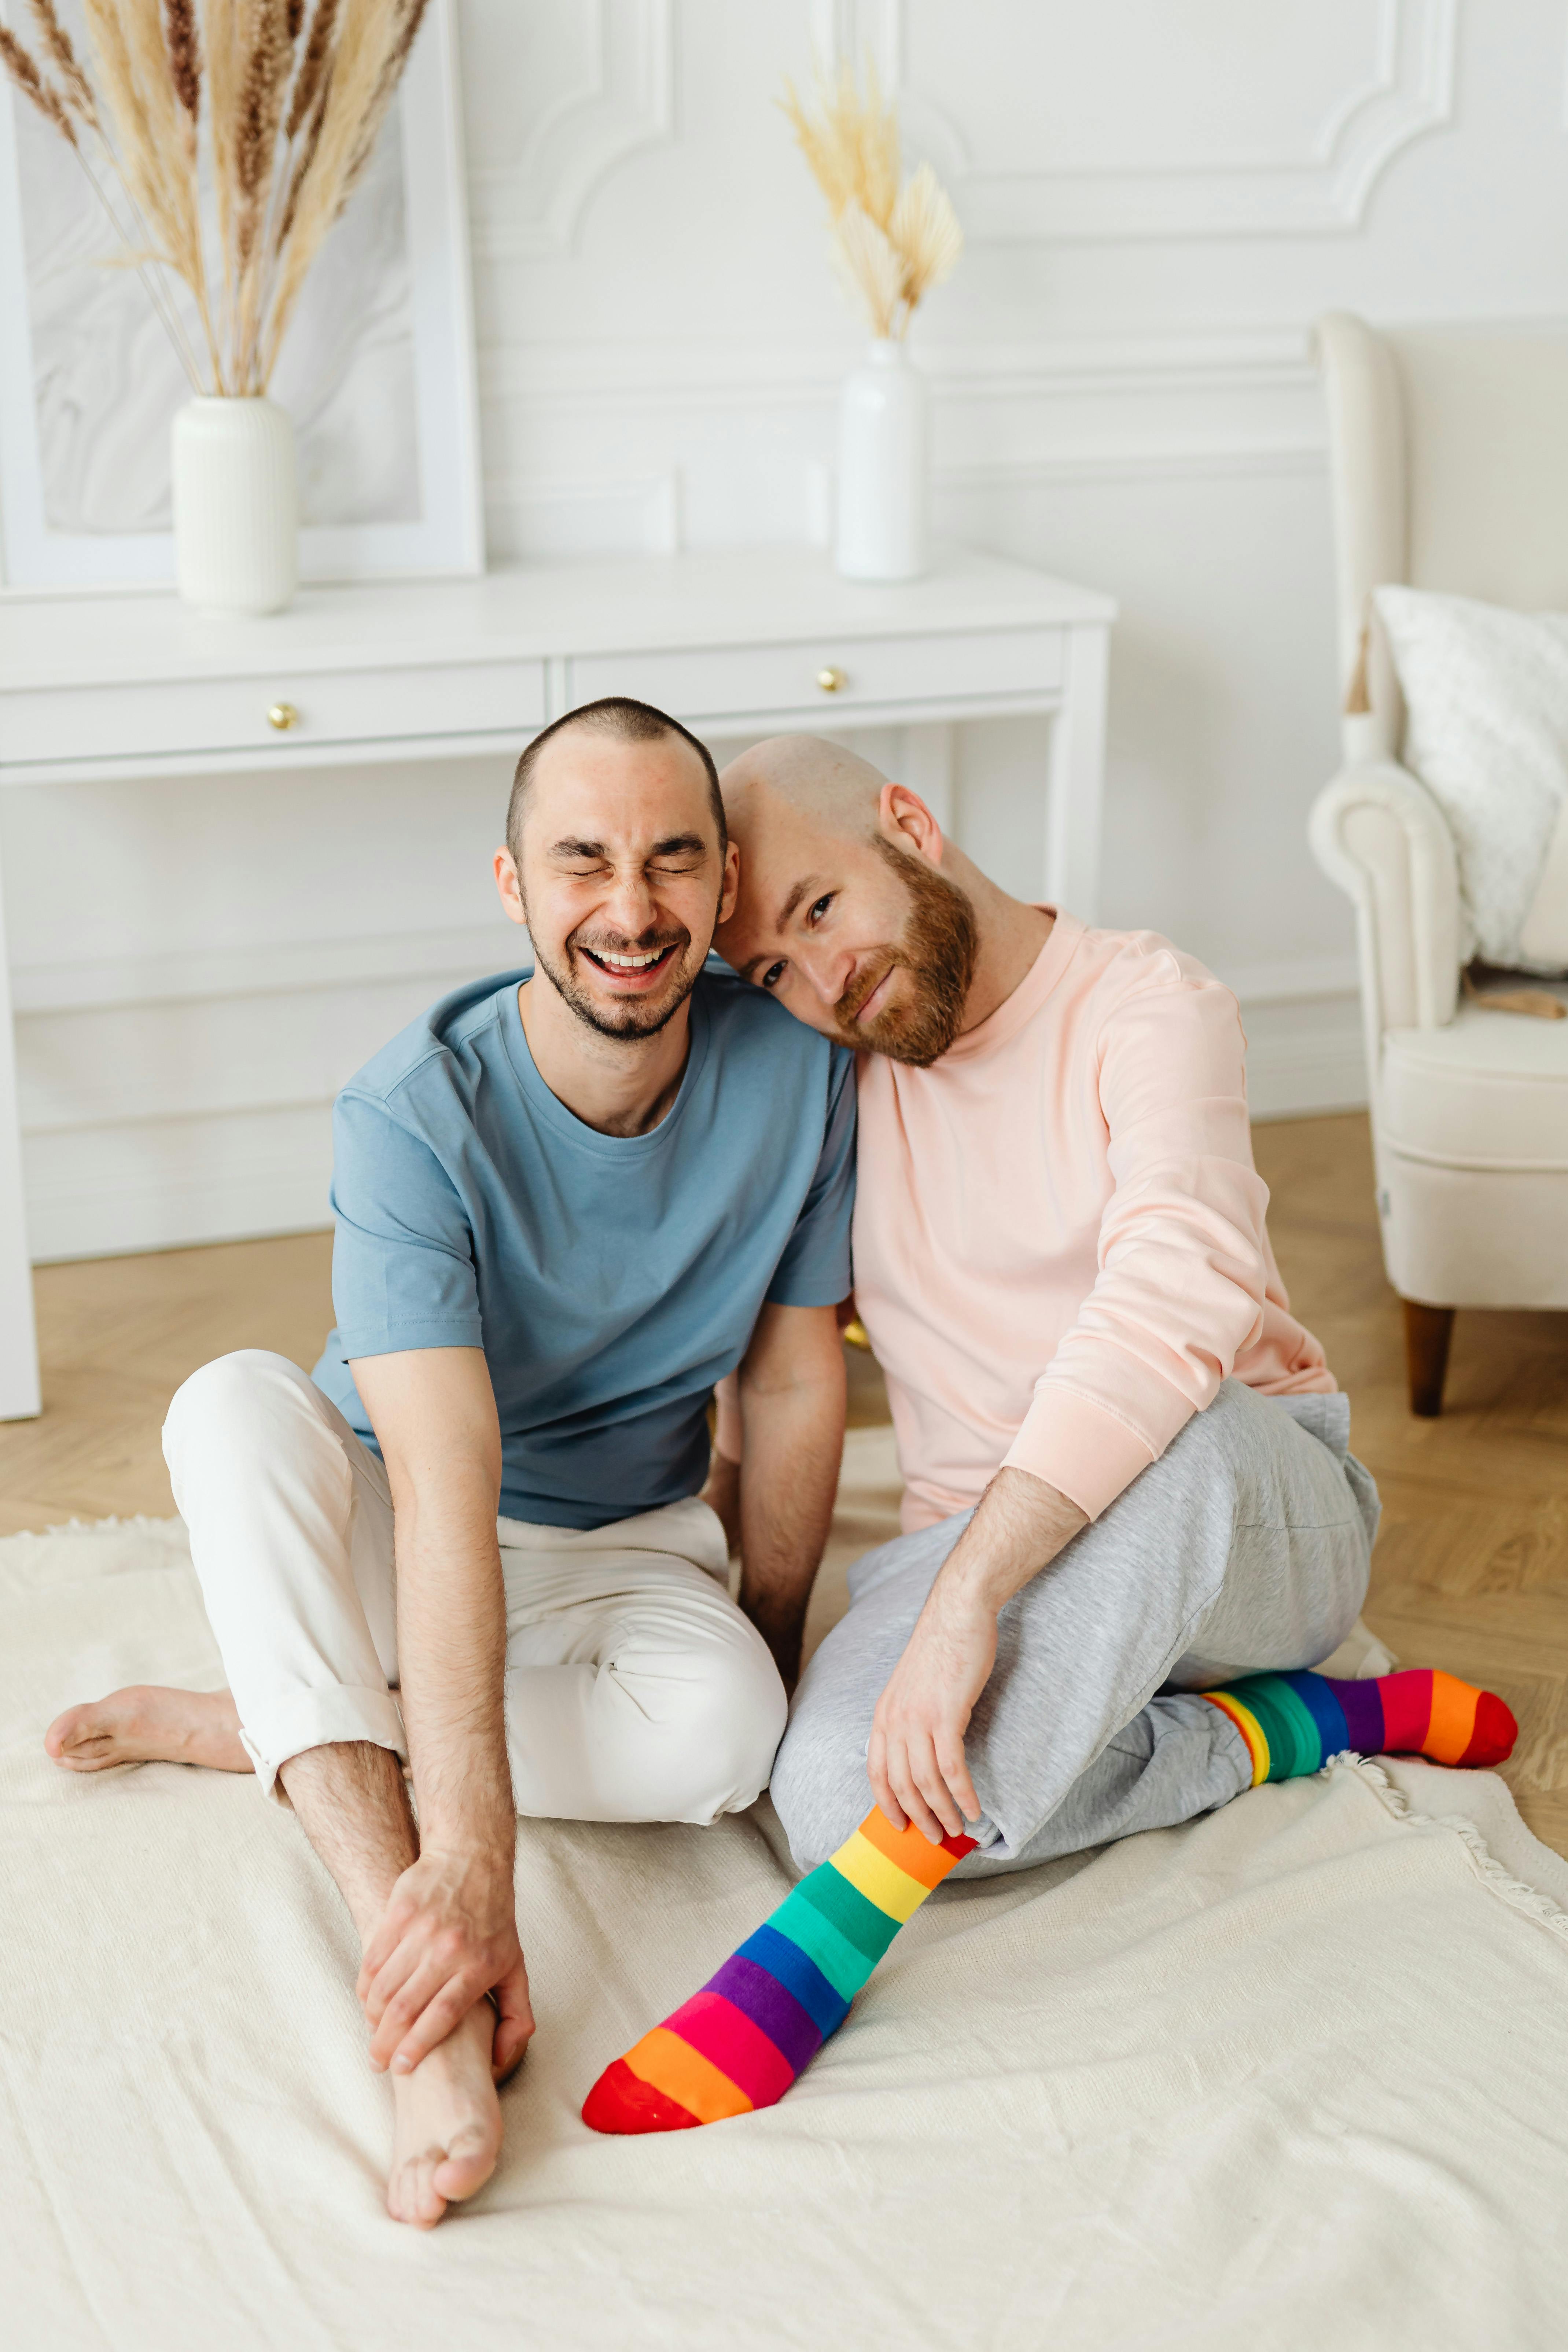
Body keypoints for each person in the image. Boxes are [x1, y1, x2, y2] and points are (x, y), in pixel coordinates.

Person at [568, 729, 1514, 2136]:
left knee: (1179, 1428)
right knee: (828, 1797)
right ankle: (1286, 1734)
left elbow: (1167, 1298)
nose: (820, 984)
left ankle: (830, 1948)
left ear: (909, 822)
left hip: (1248, 1504)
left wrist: (971, 1604)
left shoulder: (1150, 1003)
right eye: (771, 968)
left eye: (823, 909)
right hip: (978, 1544)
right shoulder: (838, 1079)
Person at [44, 700, 855, 2225]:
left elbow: (799, 1384)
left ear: (725, 879)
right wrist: (471, 1870)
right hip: (402, 1516)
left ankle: (276, 1722)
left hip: (630, 1538)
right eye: (582, 864)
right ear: (511, 886)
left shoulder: (798, 1074)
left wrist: (777, 1643)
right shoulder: (408, 1111)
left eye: (672, 862)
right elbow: (442, 1490)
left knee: (729, 1734)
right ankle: (406, 1970)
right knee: (227, 1405)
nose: (630, 910)